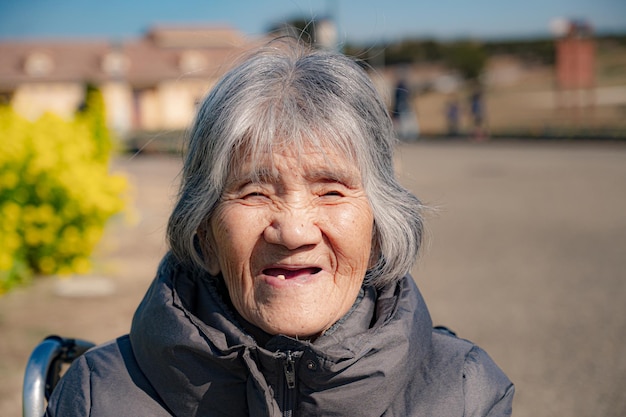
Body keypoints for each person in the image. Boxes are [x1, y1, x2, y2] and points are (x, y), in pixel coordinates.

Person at [45, 38, 514, 416]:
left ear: (379, 229)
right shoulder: (97, 398)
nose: (293, 232)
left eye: (331, 190)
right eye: (254, 192)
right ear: (203, 232)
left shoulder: (465, 393)